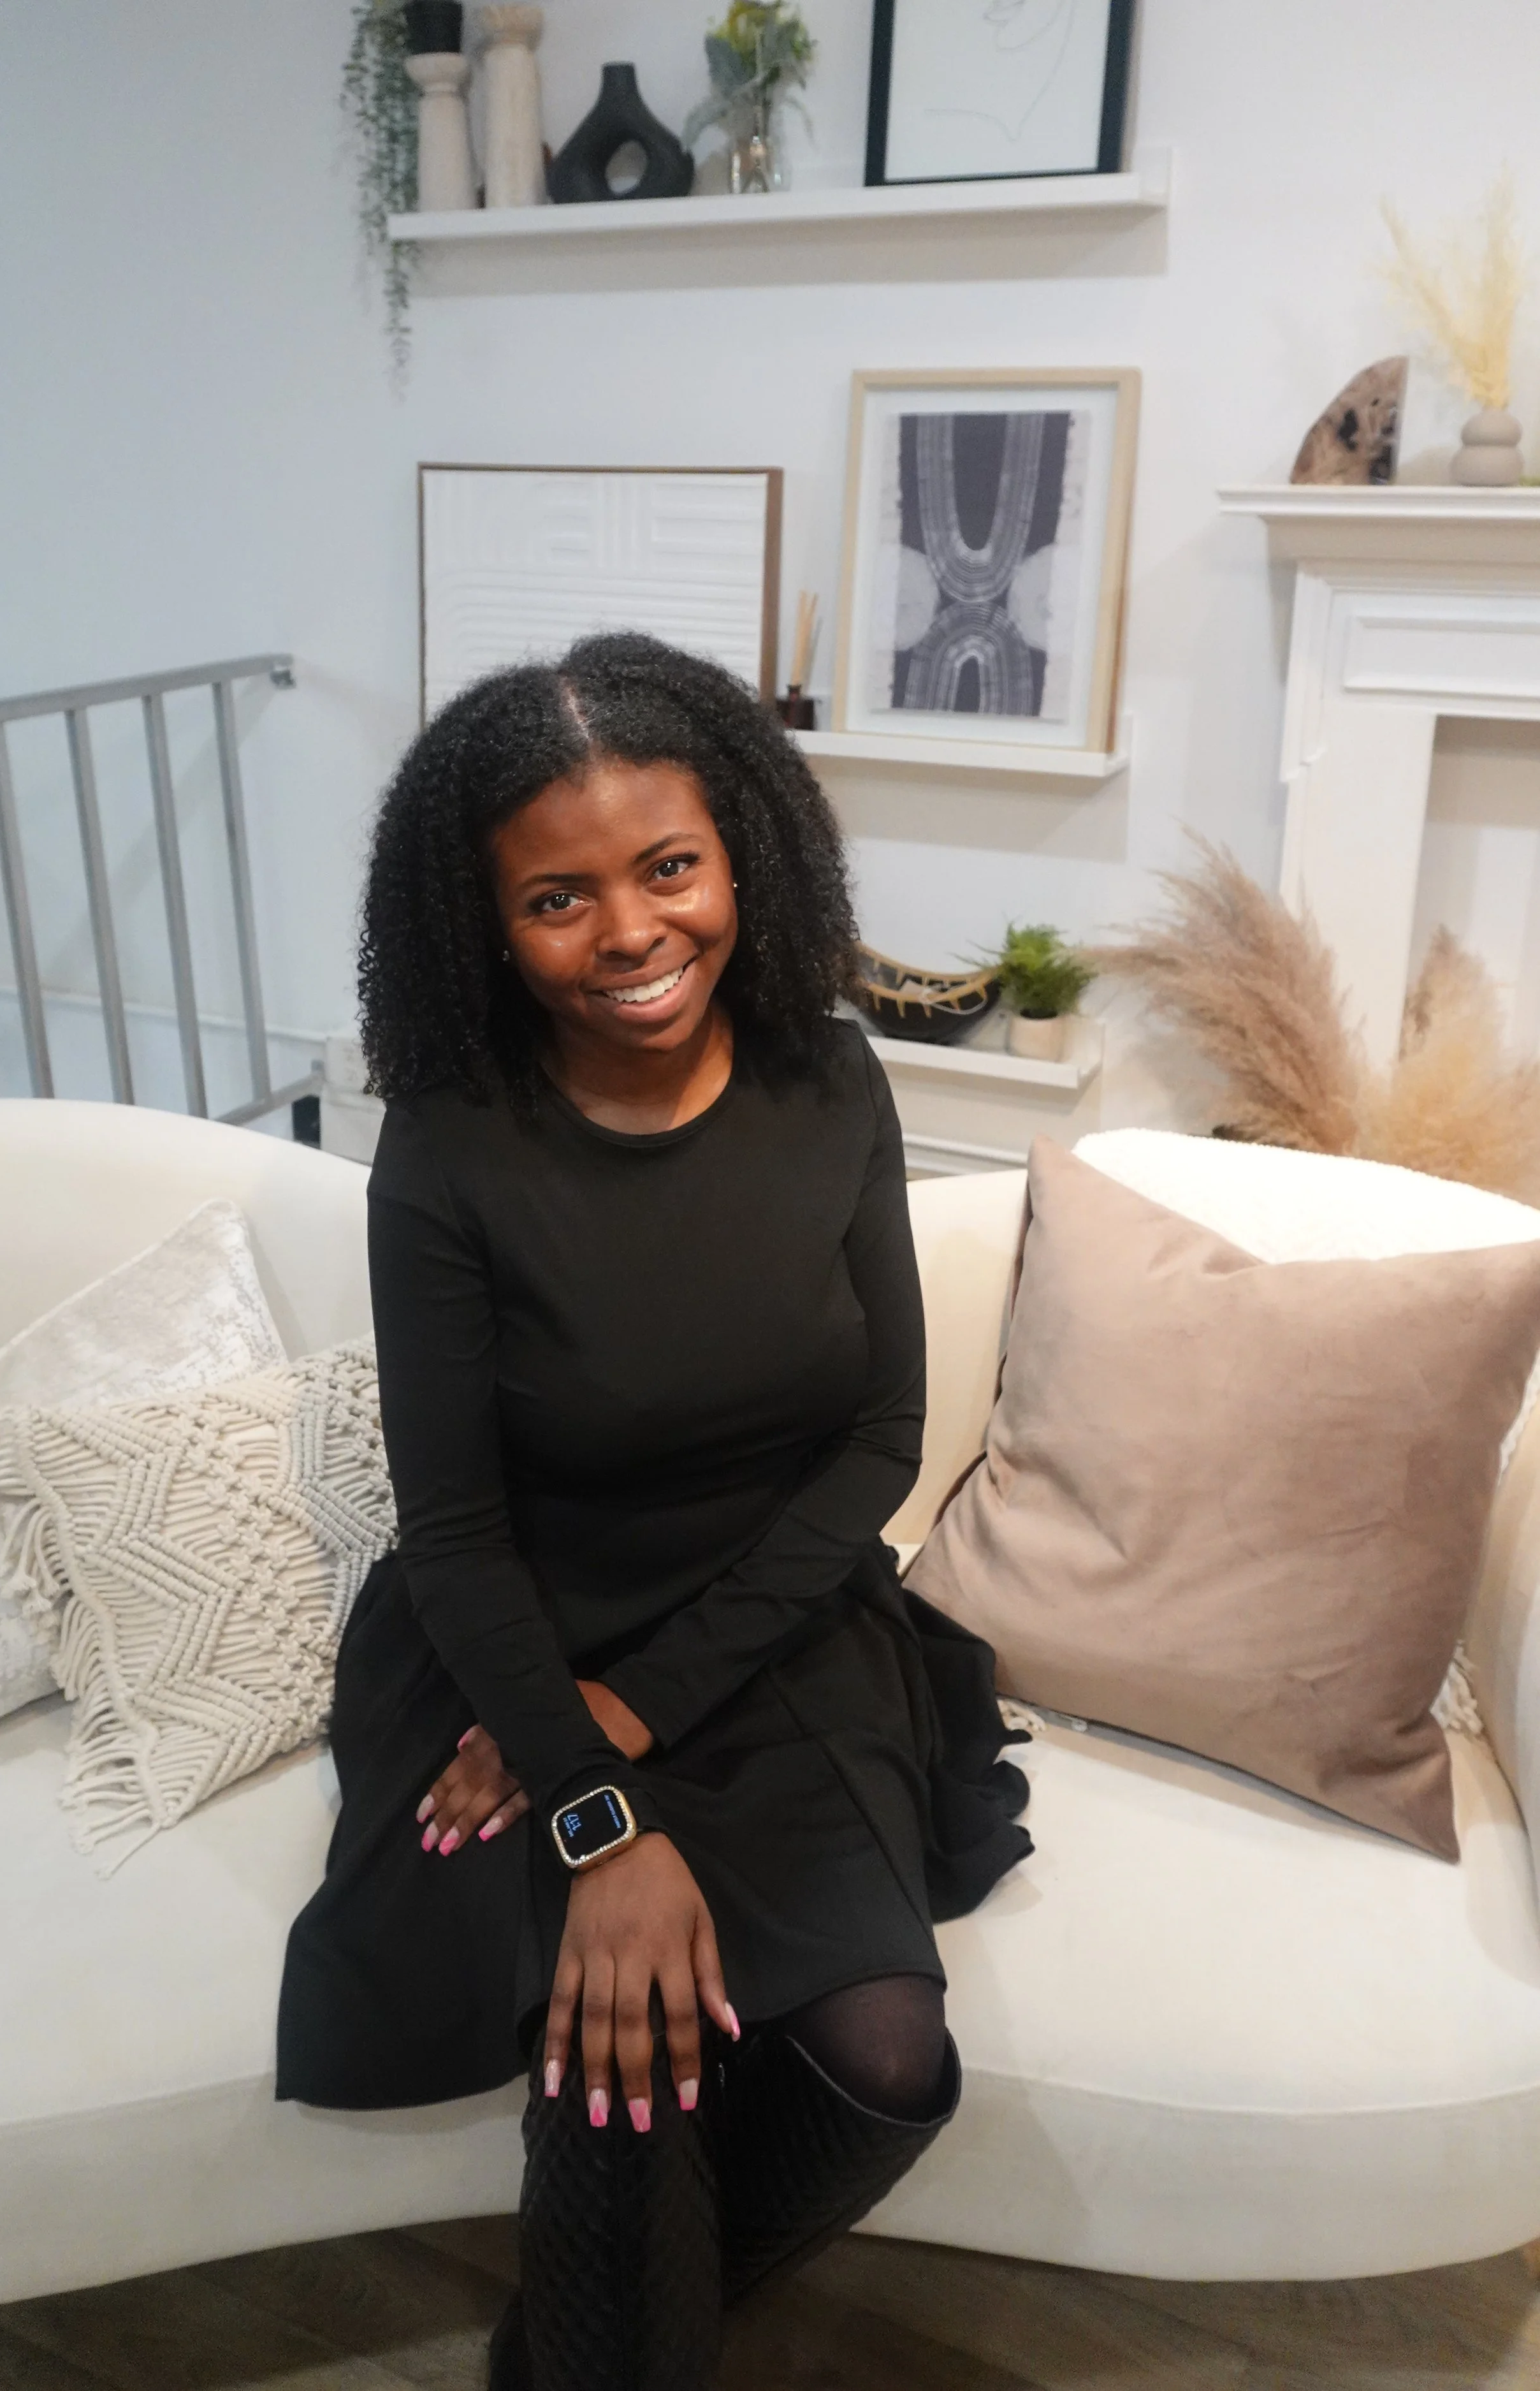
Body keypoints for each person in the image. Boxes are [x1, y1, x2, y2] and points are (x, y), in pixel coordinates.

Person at [276, 632, 1032, 2390]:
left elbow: (879, 1440)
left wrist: (643, 1711)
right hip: (519, 1647)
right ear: (487, 925)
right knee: (621, 2063)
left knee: (887, 2056)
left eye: (669, 866)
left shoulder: (830, 1079)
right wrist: (592, 1804)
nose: (630, 931)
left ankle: (549, 2356)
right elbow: (456, 1534)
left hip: (777, 1623)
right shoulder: (451, 1144)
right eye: (558, 896)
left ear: (741, 854)